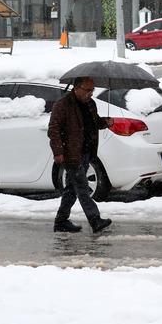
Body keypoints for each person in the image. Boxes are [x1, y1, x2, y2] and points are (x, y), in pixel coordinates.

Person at [48, 76, 113, 233]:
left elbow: (95, 123)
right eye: (87, 90)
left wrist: (106, 122)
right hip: (71, 153)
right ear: (76, 88)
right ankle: (95, 220)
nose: (90, 93)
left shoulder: (91, 104)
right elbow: (53, 130)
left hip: (86, 152)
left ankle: (61, 221)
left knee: (72, 188)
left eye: (92, 90)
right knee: (82, 188)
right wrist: (58, 152)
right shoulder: (63, 105)